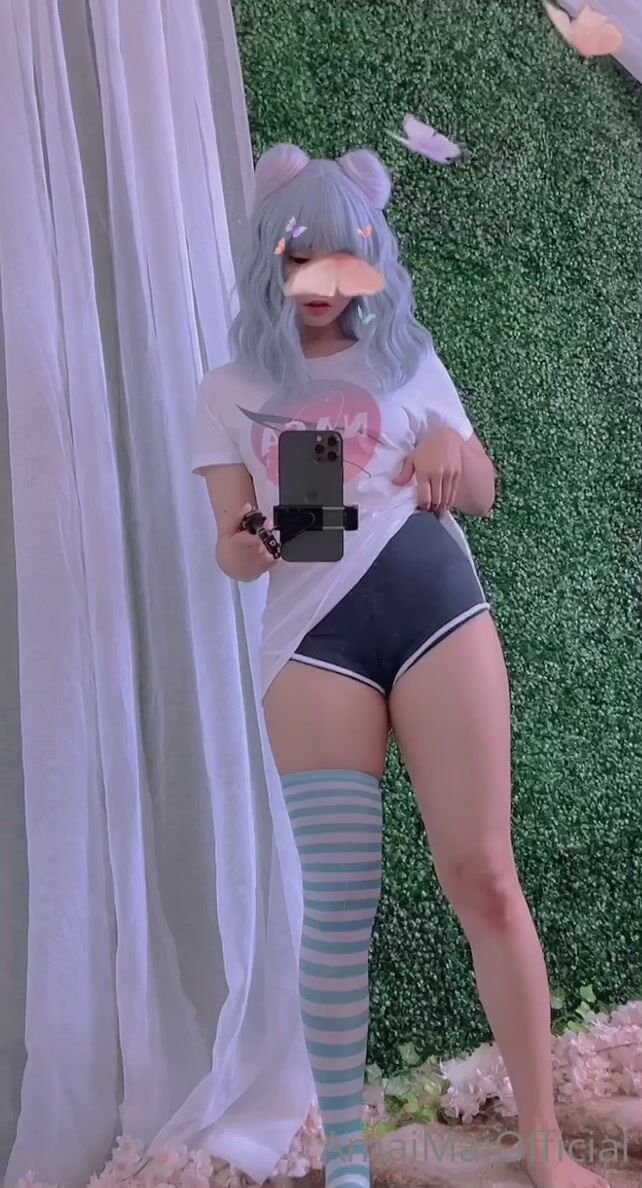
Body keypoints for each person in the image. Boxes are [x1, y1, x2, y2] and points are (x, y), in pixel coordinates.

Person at [192, 143, 608, 1188]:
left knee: (488, 879)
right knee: (339, 908)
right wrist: (249, 539)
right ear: (268, 259)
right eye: (299, 259)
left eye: (341, 259)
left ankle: (545, 1145)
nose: (321, 283)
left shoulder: (408, 363)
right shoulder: (230, 389)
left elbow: (484, 490)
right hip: (311, 643)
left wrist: (446, 454)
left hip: (435, 611)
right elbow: (230, 549)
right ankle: (345, 1162)